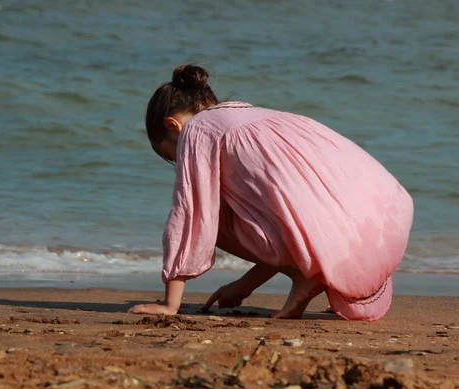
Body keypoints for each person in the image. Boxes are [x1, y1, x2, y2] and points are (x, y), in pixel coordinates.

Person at [129, 64, 413, 320]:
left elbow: (190, 217)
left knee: (213, 216)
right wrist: (243, 286)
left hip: (339, 244)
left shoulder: (196, 131)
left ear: (172, 126)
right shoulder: (253, 115)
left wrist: (171, 304)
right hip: (379, 233)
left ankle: (303, 276)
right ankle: (305, 278)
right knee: (238, 208)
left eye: (172, 155)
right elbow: (284, 218)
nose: (179, 162)